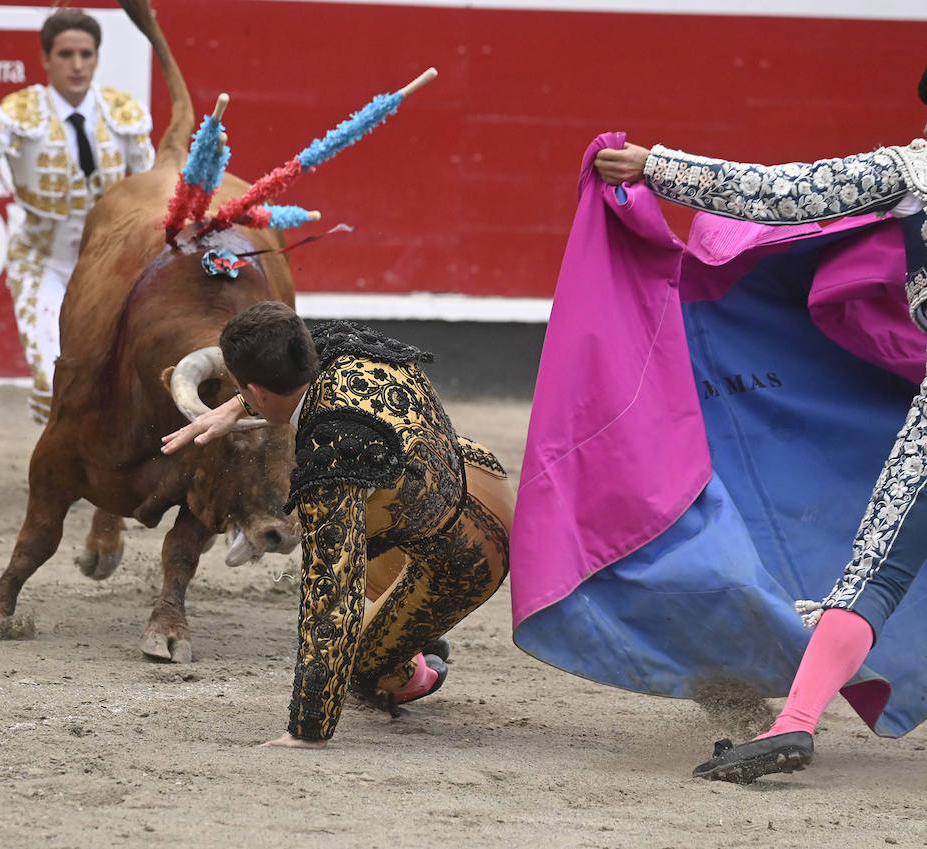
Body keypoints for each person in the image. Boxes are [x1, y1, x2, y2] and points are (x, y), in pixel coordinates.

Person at [591, 69, 927, 783]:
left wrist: (655, 165)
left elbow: (776, 195)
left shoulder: (912, 170)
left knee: (877, 569)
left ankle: (795, 722)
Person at [162, 302, 514, 748]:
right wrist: (237, 404)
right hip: (477, 474)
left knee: (359, 666)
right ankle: (405, 628)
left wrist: (307, 731)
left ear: (257, 387)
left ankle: (411, 668)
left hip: (467, 559)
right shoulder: (342, 345)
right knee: (376, 528)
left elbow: (331, 602)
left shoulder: (332, 455)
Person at [0, 8, 155, 423]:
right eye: (65, 55)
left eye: (85, 54)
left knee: (119, 370)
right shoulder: (17, 113)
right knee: (51, 375)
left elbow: (149, 185)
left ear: (96, 57)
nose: (77, 65)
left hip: (110, 264)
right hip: (44, 261)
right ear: (45, 59)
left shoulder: (122, 113)